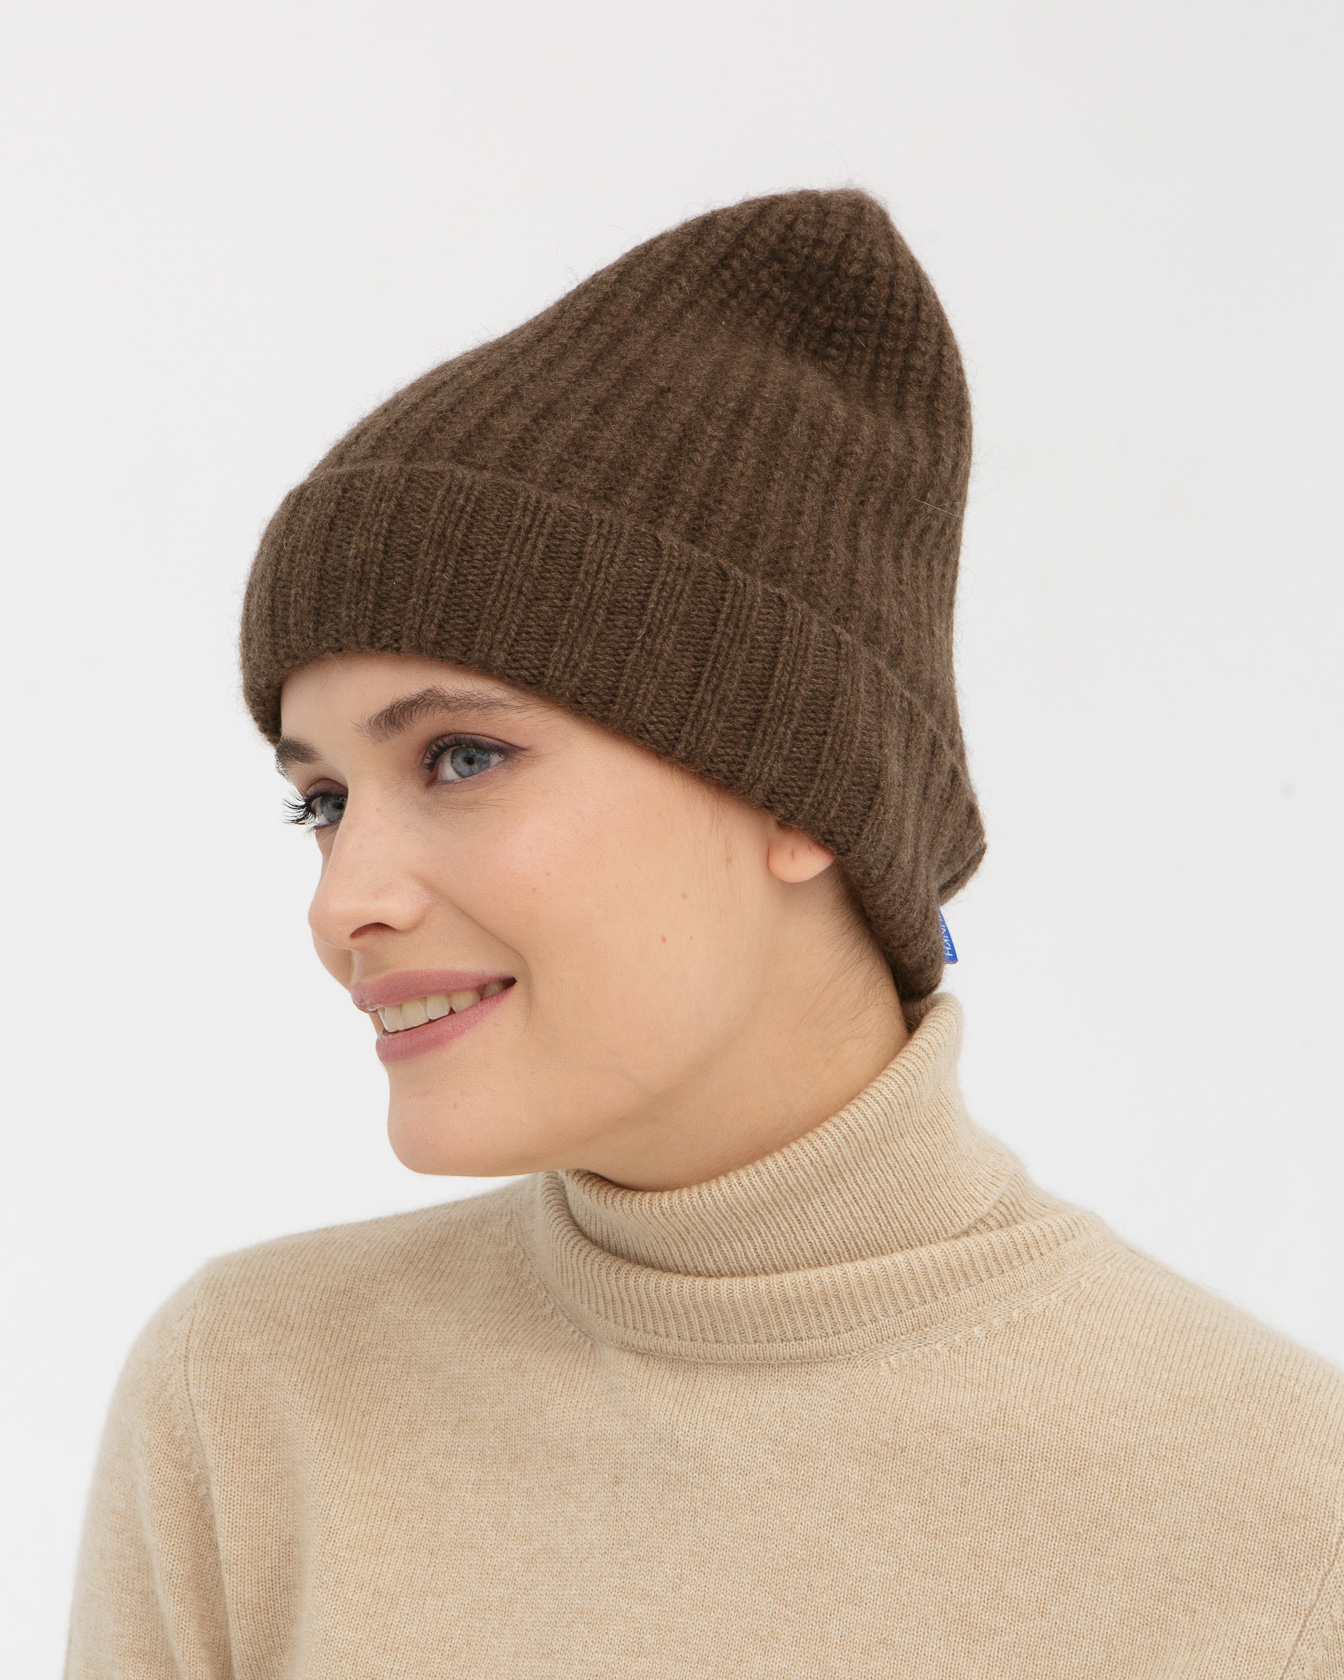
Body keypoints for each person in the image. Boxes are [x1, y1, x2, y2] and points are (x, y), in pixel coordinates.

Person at [66, 189, 1344, 1677]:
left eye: (463, 758)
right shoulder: (250, 1400)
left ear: (801, 788)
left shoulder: (1283, 1513)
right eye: (324, 802)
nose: (344, 899)